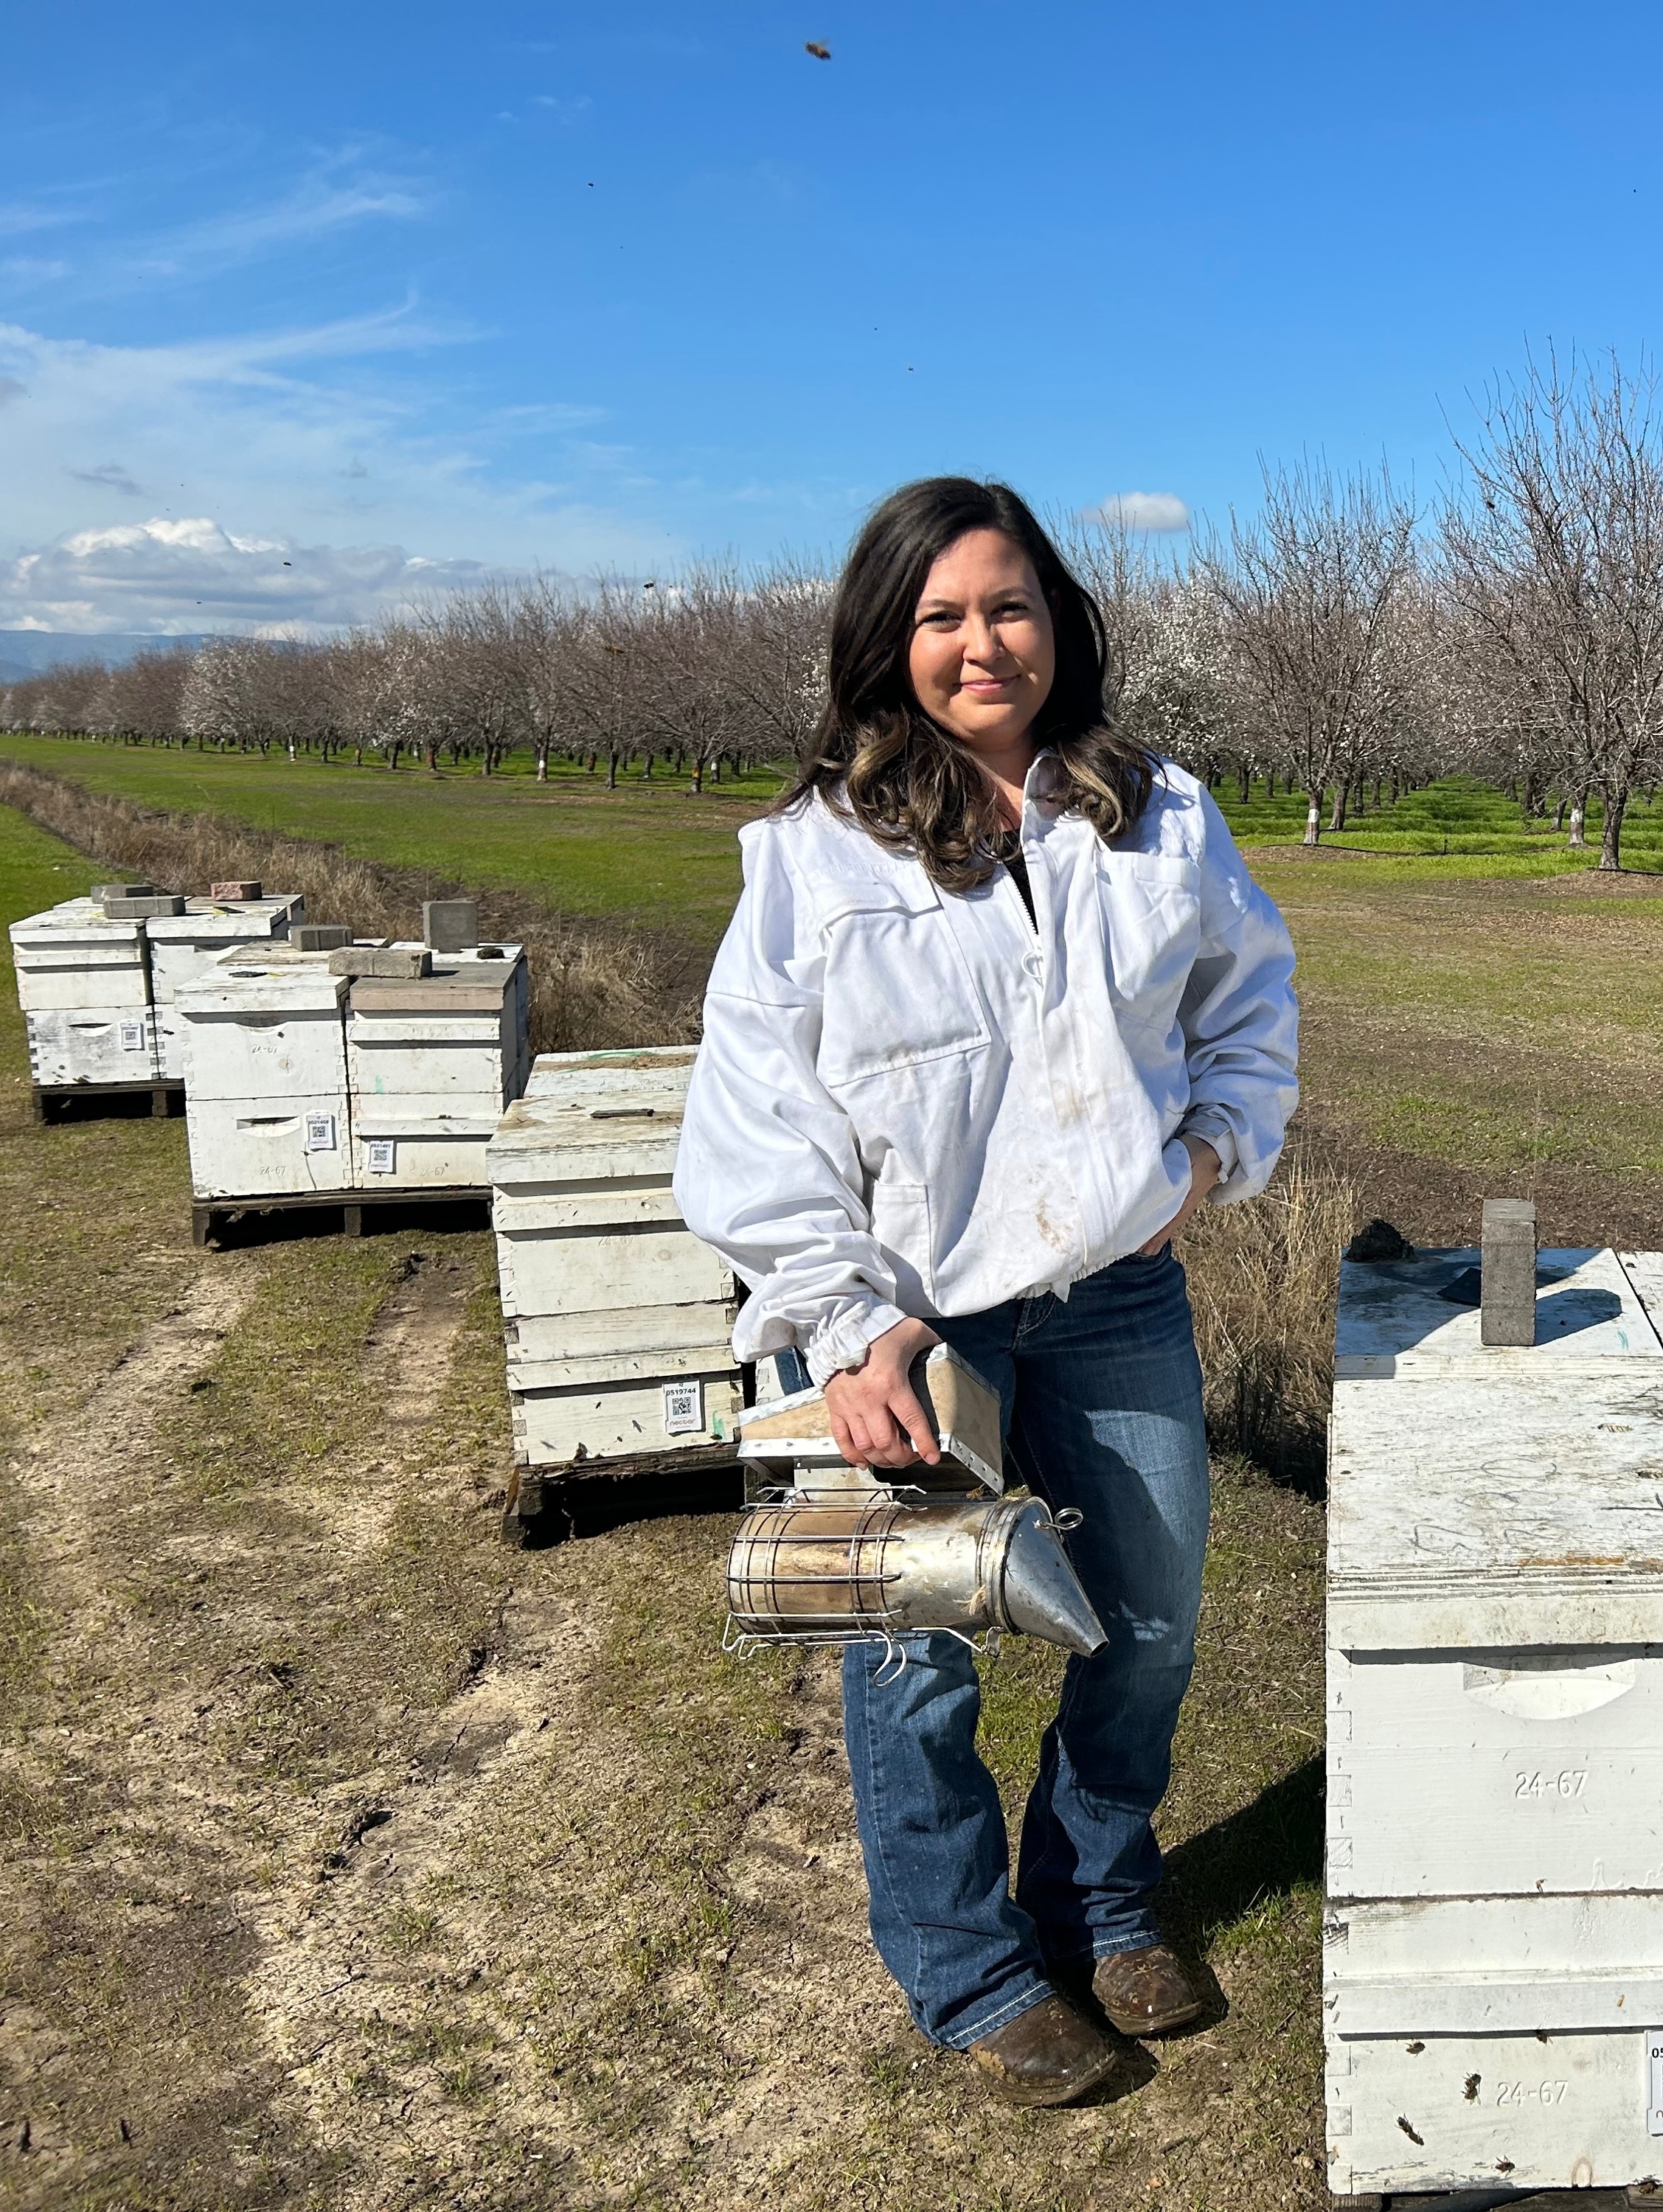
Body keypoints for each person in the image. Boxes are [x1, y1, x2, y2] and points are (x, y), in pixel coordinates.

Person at [674, 476, 1298, 2105]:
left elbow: (1252, 1001)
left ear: (1058, 622)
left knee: (1149, 1624)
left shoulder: (1155, 812)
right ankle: (970, 1974)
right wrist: (837, 1322)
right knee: (914, 1657)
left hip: (1109, 1297)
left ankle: (1096, 1897)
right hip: (912, 1320)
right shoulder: (816, 855)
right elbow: (761, 1111)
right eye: (940, 615)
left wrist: (1216, 1156)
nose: (978, 642)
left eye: (1006, 606)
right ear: (888, 641)